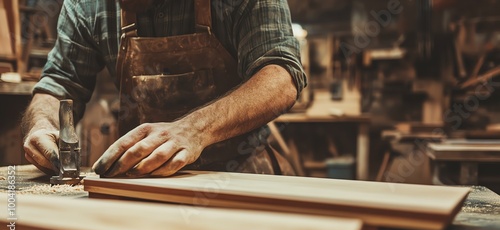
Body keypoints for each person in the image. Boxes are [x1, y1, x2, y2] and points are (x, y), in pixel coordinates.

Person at [22, 0, 307, 177]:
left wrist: (195, 129)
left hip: (239, 172)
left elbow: (281, 75)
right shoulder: (88, 5)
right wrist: (41, 124)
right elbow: (59, 84)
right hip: (144, 180)